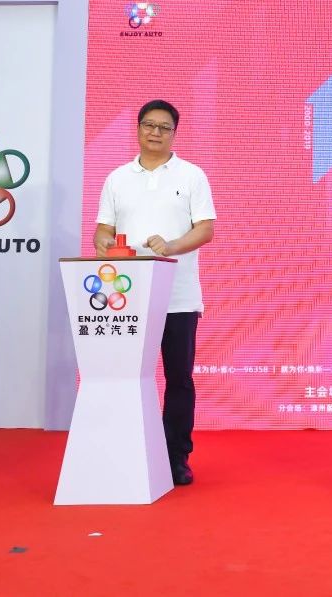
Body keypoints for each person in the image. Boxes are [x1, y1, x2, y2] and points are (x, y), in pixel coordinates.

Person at [95, 100, 216, 486]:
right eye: (149, 125)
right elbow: (103, 230)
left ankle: (175, 456)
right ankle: (127, 451)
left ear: (174, 133)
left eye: (164, 127)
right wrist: (103, 243)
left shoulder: (192, 175)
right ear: (138, 128)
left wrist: (172, 246)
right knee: (126, 375)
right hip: (126, 297)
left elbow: (206, 229)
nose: (155, 133)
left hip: (178, 295)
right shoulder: (117, 178)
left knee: (179, 378)